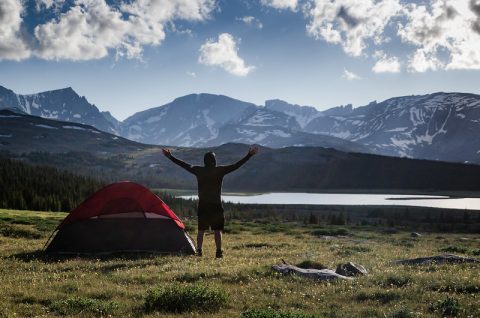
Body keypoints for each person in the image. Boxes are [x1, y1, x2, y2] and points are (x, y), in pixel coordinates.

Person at [162, 146, 259, 258]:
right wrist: (249, 155)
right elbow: (236, 165)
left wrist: (170, 156)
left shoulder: (199, 170)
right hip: (216, 205)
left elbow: (184, 165)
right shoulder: (220, 170)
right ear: (215, 160)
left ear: (204, 161)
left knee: (201, 230)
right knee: (217, 230)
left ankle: (199, 251)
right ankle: (218, 252)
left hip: (203, 205)